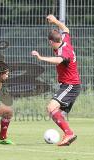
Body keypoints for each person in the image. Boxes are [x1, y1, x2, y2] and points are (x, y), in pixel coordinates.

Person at [31, 14, 81, 146]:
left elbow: (59, 60)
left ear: (51, 42)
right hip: (70, 85)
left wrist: (41, 58)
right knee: (57, 113)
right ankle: (67, 135)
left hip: (70, 86)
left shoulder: (63, 52)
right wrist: (55, 21)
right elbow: (66, 29)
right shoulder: (65, 40)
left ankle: (69, 133)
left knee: (51, 107)